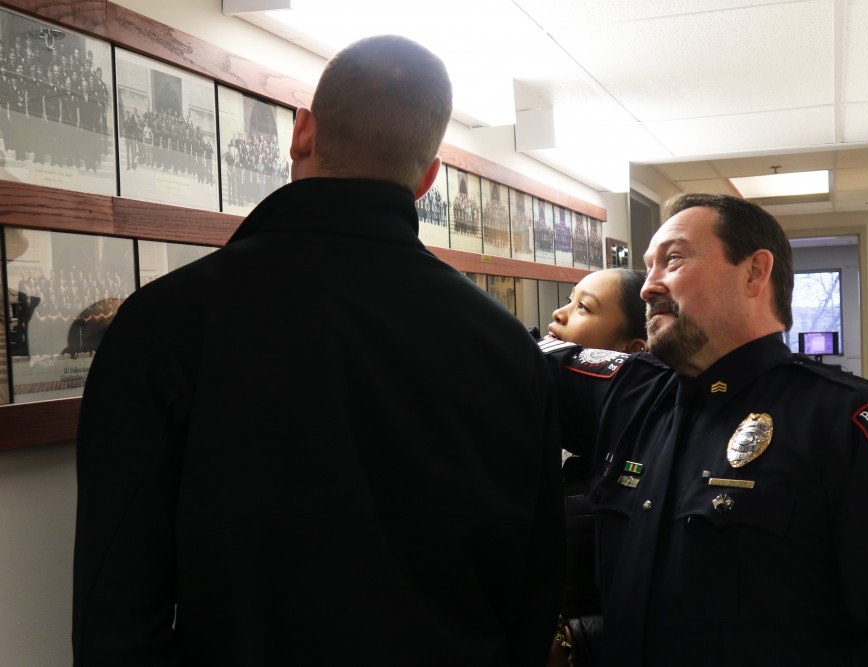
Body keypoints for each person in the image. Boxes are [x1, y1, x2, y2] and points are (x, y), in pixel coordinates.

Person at [73, 35, 564, 666]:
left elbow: (116, 608)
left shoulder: (169, 321)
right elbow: (533, 582)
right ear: (429, 175)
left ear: (302, 132)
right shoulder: (506, 345)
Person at [542, 193, 868, 666]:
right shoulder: (632, 393)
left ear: (754, 273)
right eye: (648, 267)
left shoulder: (852, 422)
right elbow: (510, 353)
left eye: (673, 259)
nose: (649, 286)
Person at [536, 269, 647, 665]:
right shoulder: (581, 444)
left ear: (630, 351)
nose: (560, 313)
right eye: (569, 299)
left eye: (583, 307)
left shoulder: (642, 463)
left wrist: (571, 642)